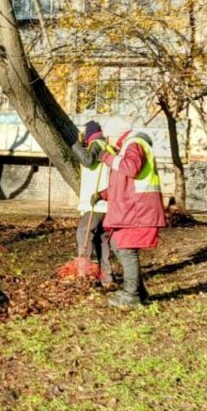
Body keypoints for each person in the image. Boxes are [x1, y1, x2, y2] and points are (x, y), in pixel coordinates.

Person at [96, 128, 165, 309]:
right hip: (137, 210)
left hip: (138, 211)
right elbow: (125, 182)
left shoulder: (134, 144)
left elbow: (131, 169)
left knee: (126, 250)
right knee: (118, 246)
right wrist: (103, 194)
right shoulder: (131, 148)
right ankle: (139, 293)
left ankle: (131, 296)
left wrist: (105, 157)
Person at [71, 119, 113, 285]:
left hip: (96, 203)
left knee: (84, 233)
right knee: (102, 240)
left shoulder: (96, 144)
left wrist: (77, 146)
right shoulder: (106, 147)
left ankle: (84, 274)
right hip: (103, 202)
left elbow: (88, 160)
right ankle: (106, 277)